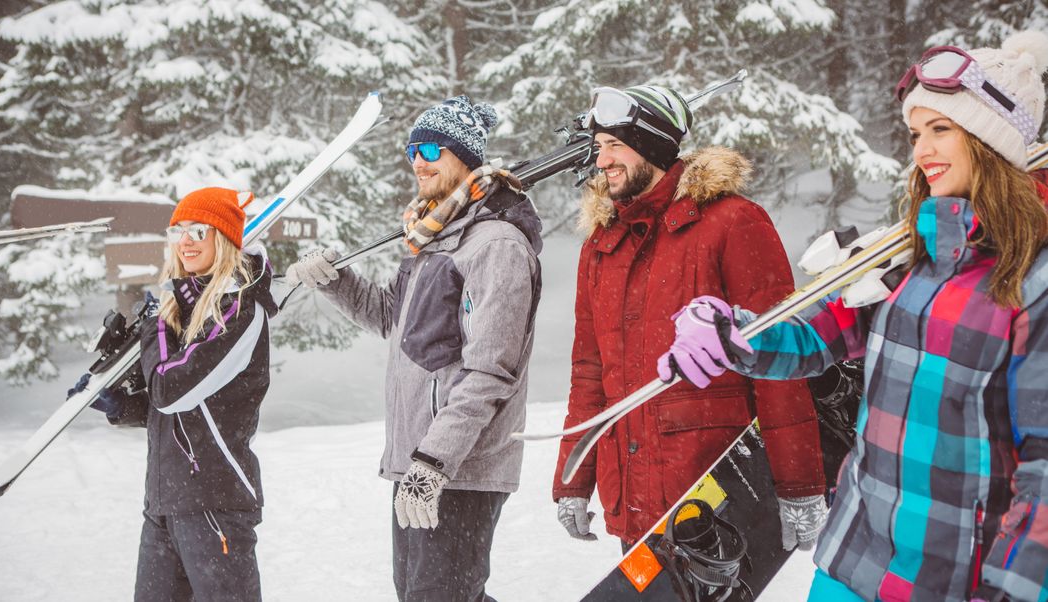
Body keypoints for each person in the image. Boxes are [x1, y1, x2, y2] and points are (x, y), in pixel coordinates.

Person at [657, 31, 1048, 602]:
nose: (921, 151)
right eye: (917, 134)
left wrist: (1014, 587)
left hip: (953, 579)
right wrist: (730, 333)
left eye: (942, 131)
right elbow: (813, 338)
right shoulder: (908, 258)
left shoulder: (1031, 283)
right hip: (851, 560)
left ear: (991, 144)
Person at [285, 95, 543, 601]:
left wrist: (435, 460)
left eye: (430, 148)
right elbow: (392, 319)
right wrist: (336, 281)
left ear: (464, 157)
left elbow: (491, 370)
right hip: (421, 463)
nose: (417, 161)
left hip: (458, 468)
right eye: (411, 152)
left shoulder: (495, 245)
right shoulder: (432, 240)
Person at [552, 83, 827, 552]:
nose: (602, 161)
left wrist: (799, 484)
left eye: (616, 146)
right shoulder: (602, 244)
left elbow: (780, 362)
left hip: (713, 487)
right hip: (633, 489)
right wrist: (573, 481)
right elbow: (590, 373)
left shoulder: (733, 223)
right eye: (599, 148)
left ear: (653, 147)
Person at [82, 187, 278, 601]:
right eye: (178, 231)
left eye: (199, 231)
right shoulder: (180, 307)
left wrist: (154, 324)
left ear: (222, 239)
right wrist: (124, 405)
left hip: (214, 502)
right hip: (163, 501)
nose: (185, 241)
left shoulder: (240, 311)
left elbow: (172, 390)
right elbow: (169, 406)